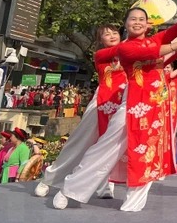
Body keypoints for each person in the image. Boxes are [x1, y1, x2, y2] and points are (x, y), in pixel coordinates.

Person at [52, 8, 177, 212]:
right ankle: (70, 189)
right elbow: (149, 53)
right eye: (133, 19)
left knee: (147, 152)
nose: (137, 23)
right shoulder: (125, 48)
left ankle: (134, 202)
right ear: (126, 23)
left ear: (148, 24)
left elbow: (176, 29)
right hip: (134, 105)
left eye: (142, 19)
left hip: (157, 107)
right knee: (105, 147)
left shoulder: (154, 39)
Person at [35, 24, 124, 199]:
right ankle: (48, 179)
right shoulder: (101, 55)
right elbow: (128, 48)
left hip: (121, 102)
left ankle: (106, 185)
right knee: (79, 143)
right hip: (102, 102)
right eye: (107, 34)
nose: (112, 36)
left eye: (115, 33)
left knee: (112, 146)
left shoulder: (127, 54)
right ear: (100, 40)